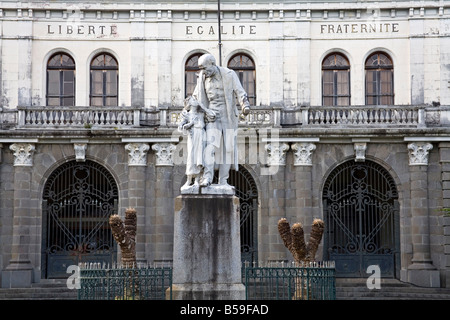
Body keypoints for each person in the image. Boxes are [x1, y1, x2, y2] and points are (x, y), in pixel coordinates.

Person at [192, 53, 250, 187]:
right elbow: (196, 96)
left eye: (205, 68)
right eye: (201, 69)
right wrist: (191, 106)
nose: (203, 72)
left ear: (213, 64)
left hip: (228, 114)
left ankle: (223, 181)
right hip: (212, 115)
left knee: (227, 149)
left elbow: (240, 91)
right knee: (210, 147)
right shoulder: (202, 78)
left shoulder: (229, 74)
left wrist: (245, 105)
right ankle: (207, 178)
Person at [178, 96, 209, 189]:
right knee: (191, 157)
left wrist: (204, 108)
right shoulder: (187, 114)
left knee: (200, 157)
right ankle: (189, 180)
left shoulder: (201, 114)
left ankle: (197, 180)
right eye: (193, 99)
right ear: (190, 103)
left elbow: (212, 115)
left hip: (201, 135)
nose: (196, 100)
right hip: (193, 136)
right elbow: (180, 127)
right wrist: (191, 124)